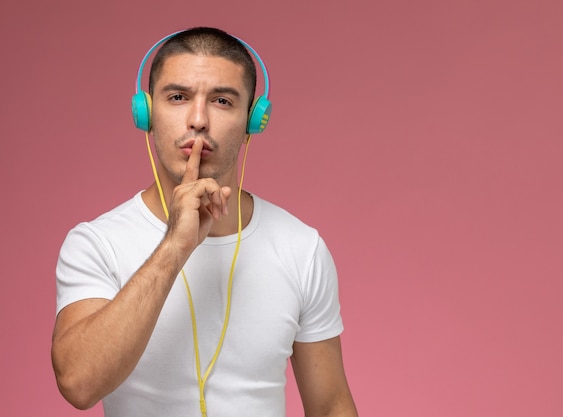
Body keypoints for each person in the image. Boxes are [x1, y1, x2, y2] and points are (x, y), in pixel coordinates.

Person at [51, 26, 358, 417]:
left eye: (223, 101)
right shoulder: (96, 243)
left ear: (253, 121)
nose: (198, 120)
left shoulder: (302, 247)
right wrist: (174, 246)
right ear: (145, 113)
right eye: (178, 97)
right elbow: (79, 384)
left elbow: (331, 404)